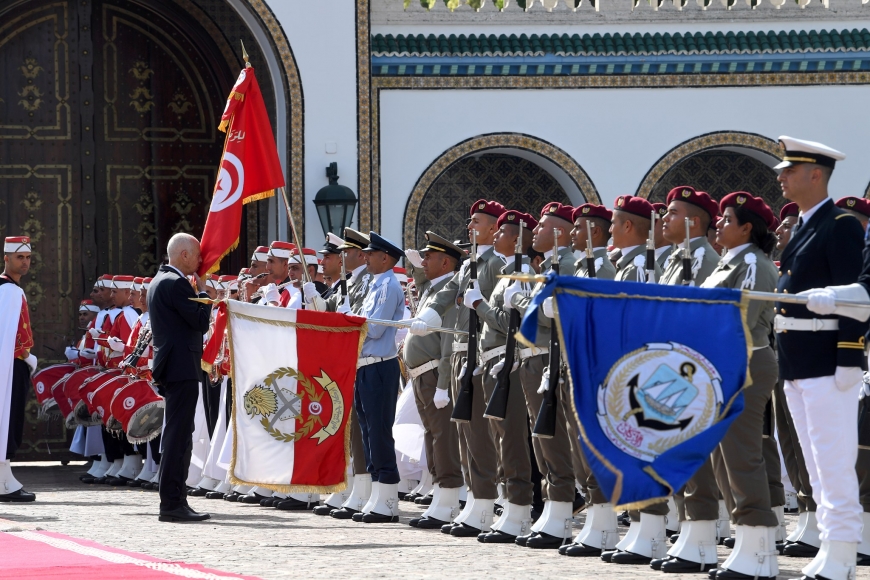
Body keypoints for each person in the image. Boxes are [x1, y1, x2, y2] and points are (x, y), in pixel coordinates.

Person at [771, 136, 866, 580]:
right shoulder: (806, 225)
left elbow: (857, 298)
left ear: (816, 175)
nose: (782, 177)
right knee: (814, 465)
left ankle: (844, 550)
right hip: (797, 360)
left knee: (834, 462)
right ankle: (831, 544)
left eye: (790, 170)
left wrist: (850, 356)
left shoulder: (841, 225)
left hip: (828, 362)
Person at [408, 199, 506, 537]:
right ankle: (475, 503)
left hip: (482, 356)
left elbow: (498, 314)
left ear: (495, 228)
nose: (469, 226)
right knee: (467, 437)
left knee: (480, 436)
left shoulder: (497, 263)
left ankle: (486, 502)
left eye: (477, 221)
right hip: (464, 356)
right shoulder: (470, 266)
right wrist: (430, 313)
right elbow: (446, 295)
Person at [466, 211, 537, 544]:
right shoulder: (508, 275)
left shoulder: (523, 275)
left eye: (504, 233)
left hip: (508, 361)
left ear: (518, 241)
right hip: (494, 360)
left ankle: (520, 508)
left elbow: (510, 325)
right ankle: (510, 505)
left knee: (511, 438)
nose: (496, 237)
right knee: (500, 438)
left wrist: (479, 305)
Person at [148, 233, 212, 523]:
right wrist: (205, 294)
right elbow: (199, 322)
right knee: (178, 437)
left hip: (172, 365)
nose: (200, 261)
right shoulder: (175, 284)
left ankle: (175, 500)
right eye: (197, 255)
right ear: (184, 255)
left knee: (177, 434)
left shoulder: (158, 281)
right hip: (181, 366)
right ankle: (173, 503)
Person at [404, 232, 463, 530]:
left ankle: (449, 498)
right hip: (420, 373)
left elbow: (448, 340)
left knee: (444, 437)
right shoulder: (433, 288)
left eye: (428, 257)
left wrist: (443, 384)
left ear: (445, 262)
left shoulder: (450, 294)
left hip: (435, 372)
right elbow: (421, 282)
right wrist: (416, 269)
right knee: (432, 435)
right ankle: (440, 493)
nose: (423, 261)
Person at [351, 232, 406, 523]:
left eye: (371, 254)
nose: (366, 257)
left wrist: (348, 322)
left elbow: (374, 330)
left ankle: (388, 496)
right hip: (366, 365)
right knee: (368, 431)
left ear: (384, 258)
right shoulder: (376, 285)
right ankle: (377, 493)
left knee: (379, 431)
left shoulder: (388, 286)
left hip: (379, 365)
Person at [0, 236, 37, 503]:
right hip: (12, 365)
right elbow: (14, 336)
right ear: (6, 258)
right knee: (9, 419)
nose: (24, 262)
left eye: (27, 257)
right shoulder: (10, 291)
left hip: (10, 363)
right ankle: (4, 481)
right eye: (19, 257)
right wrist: (28, 357)